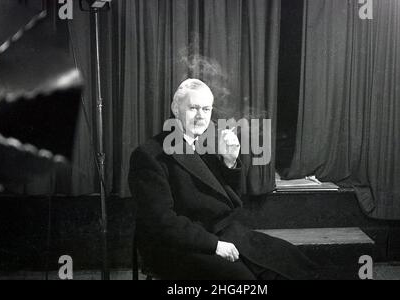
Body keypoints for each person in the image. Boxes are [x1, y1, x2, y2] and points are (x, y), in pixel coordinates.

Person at [128, 79, 317, 280]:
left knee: (290, 261)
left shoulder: (206, 143)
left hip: (221, 231)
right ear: (176, 109)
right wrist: (214, 245)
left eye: (206, 109)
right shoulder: (149, 154)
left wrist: (229, 162)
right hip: (179, 245)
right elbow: (162, 222)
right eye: (193, 108)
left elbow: (232, 202)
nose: (201, 116)